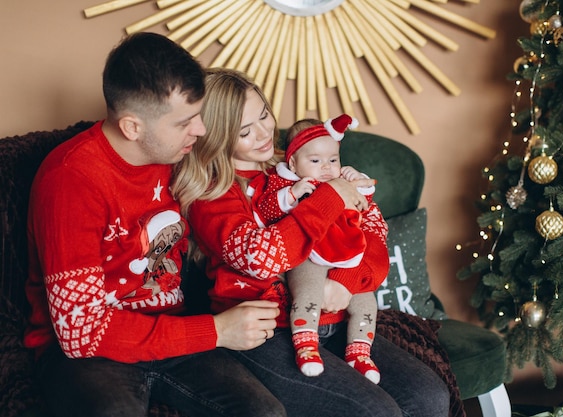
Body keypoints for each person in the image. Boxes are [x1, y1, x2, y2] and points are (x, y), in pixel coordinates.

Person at [23, 33, 286, 417]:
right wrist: (215, 331)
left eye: (198, 114)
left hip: (171, 331)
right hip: (90, 355)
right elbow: (81, 333)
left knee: (265, 412)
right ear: (132, 127)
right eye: (185, 121)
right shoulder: (71, 180)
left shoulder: (177, 151)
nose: (200, 130)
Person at [171, 67, 450, 417]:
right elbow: (261, 258)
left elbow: (372, 227)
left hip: (333, 316)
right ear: (213, 136)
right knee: (374, 411)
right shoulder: (212, 195)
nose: (264, 134)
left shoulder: (295, 164)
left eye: (264, 116)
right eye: (245, 131)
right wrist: (331, 197)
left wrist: (345, 284)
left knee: (430, 395)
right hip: (266, 330)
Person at [248, 114, 382, 383]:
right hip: (307, 254)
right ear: (293, 163)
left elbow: (369, 215)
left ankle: (360, 351)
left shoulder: (343, 180)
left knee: (366, 299)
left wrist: (359, 184)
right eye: (315, 161)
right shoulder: (283, 183)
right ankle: (306, 343)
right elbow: (265, 211)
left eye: (333, 160)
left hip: (345, 256)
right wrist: (292, 195)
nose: (326, 168)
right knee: (308, 291)